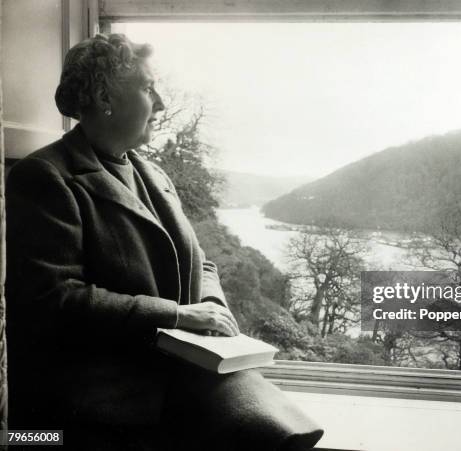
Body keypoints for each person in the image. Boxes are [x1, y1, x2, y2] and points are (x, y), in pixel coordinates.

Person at [6, 34, 322, 450]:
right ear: (104, 97)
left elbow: (202, 263)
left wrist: (212, 311)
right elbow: (55, 300)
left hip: (174, 383)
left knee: (286, 432)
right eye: (147, 87)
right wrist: (176, 315)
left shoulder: (154, 174)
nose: (160, 103)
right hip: (91, 413)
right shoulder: (44, 177)